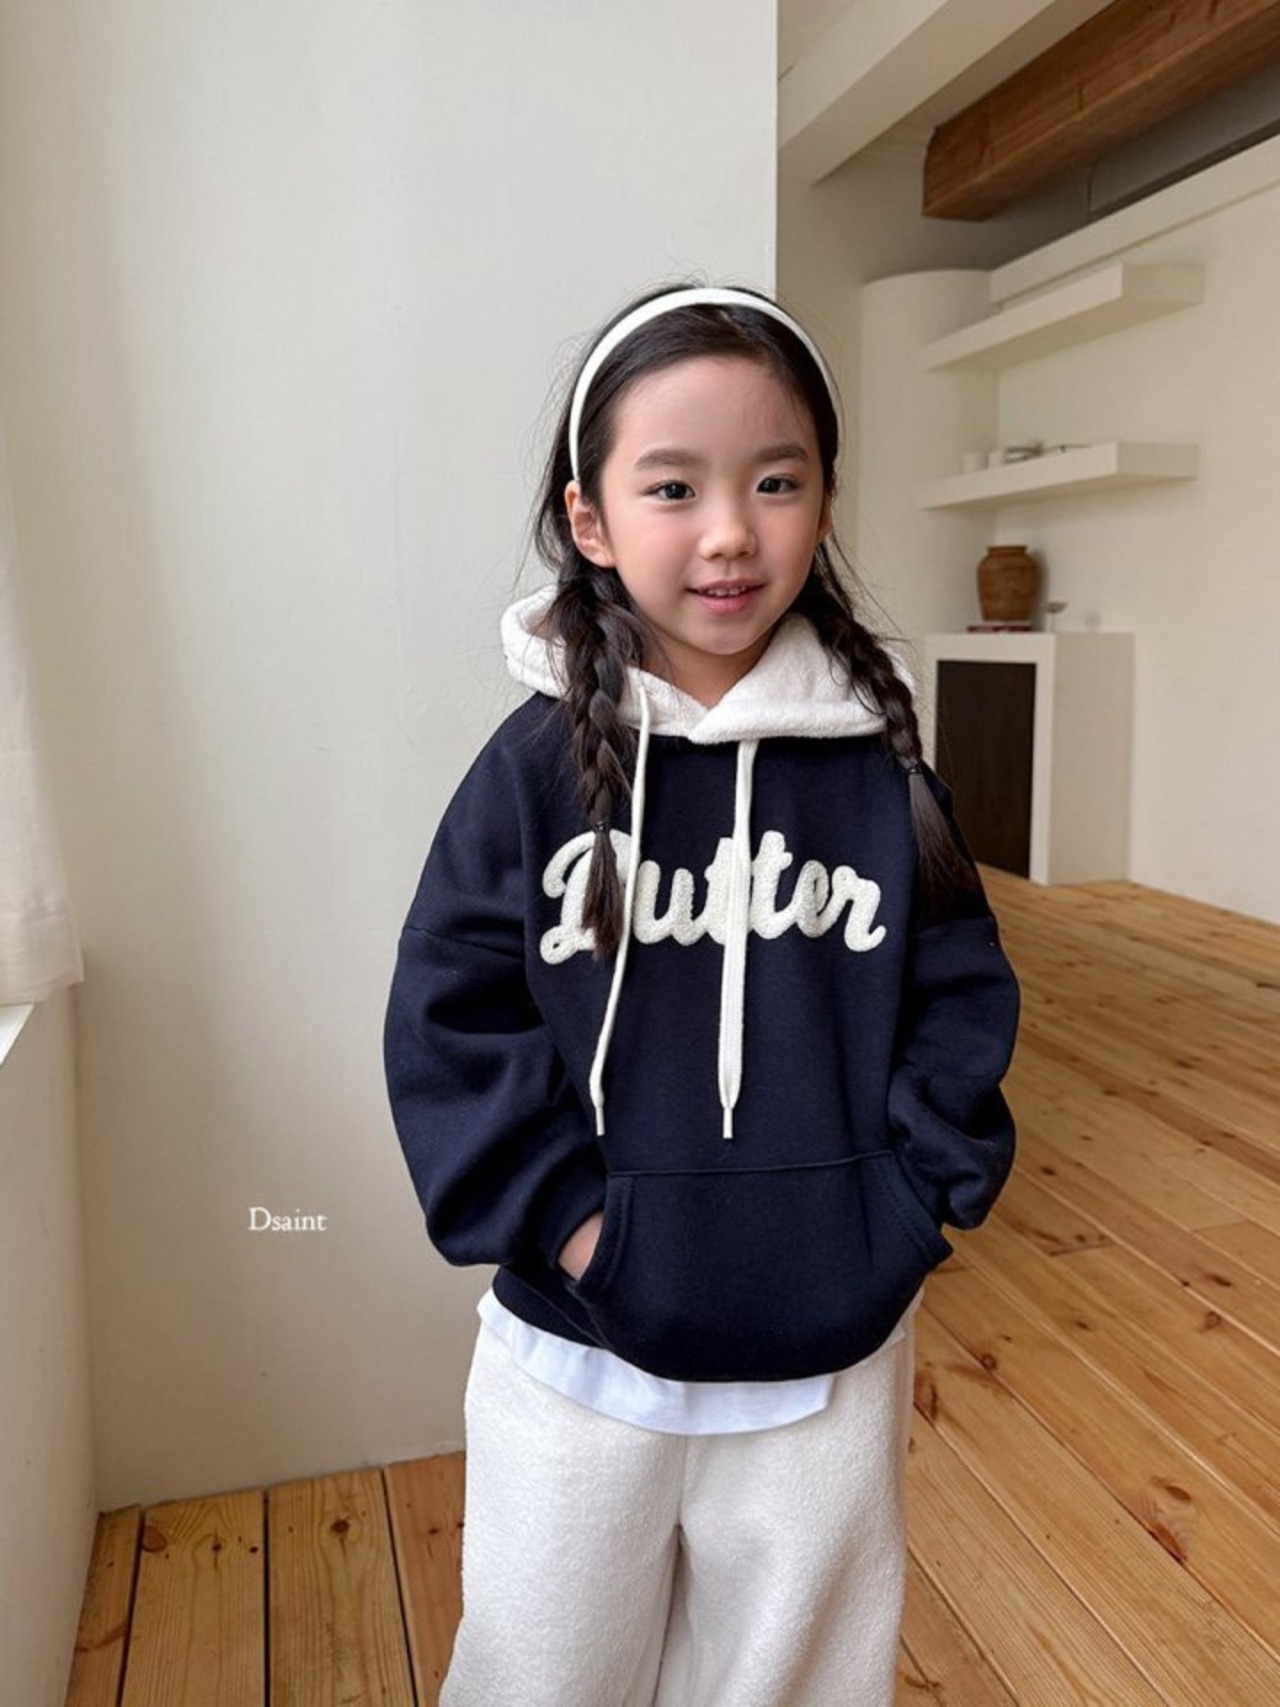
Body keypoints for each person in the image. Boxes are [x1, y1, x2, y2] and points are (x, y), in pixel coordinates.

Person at [383, 283, 1020, 1707]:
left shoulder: (885, 769)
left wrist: (905, 1207)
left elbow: (960, 1000)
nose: (730, 531)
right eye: (673, 487)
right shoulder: (530, 770)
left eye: (776, 482)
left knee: (793, 1677)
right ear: (592, 519)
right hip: (575, 1350)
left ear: (824, 500)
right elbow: (451, 1019)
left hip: (829, 1363)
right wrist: (578, 1229)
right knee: (543, 1672)